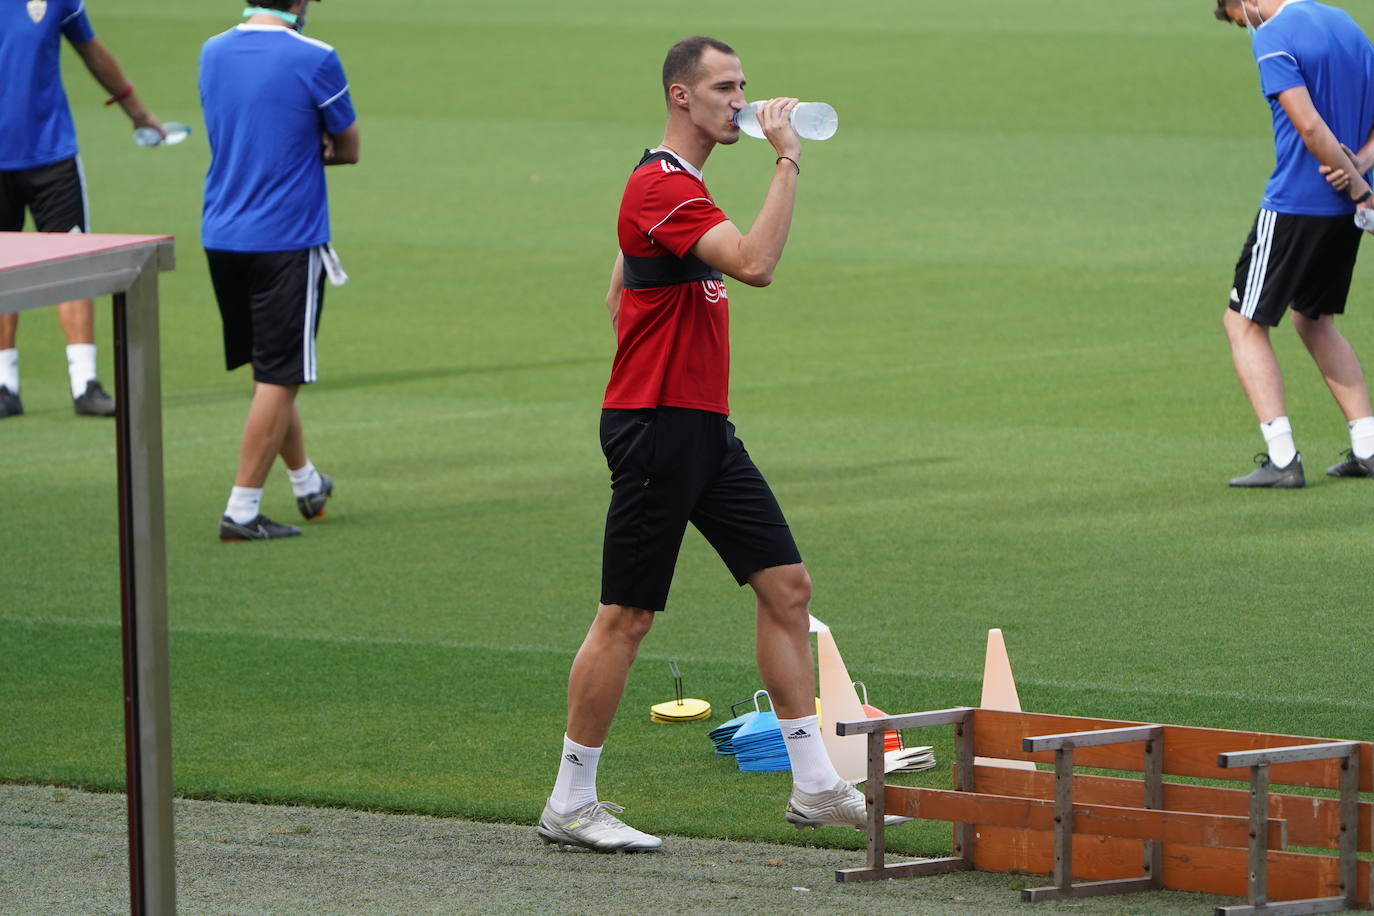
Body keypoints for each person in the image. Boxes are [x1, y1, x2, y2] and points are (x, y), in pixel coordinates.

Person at [538, 36, 902, 853]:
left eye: (743, 86)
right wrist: (787, 160)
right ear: (682, 95)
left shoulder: (682, 190)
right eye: (725, 87)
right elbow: (757, 263)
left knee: (787, 587)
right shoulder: (660, 185)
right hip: (657, 427)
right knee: (626, 615)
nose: (742, 100)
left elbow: (618, 293)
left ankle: (815, 786)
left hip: (699, 426)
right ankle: (570, 801)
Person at [198, 0, 358, 540]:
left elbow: (240, 128)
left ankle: (306, 481)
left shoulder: (211, 51)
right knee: (280, 374)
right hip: (285, 237)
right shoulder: (316, 56)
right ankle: (242, 511)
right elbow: (349, 147)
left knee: (267, 368)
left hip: (222, 232)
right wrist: (314, 144)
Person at [1214, 0, 1374, 487]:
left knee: (1243, 323)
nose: (1248, 28)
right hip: (1346, 211)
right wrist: (1362, 171)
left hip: (1296, 203)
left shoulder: (1273, 35)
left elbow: (1308, 126)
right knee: (1313, 318)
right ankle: (1369, 447)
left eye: (1241, 20)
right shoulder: (1343, 22)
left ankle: (1283, 460)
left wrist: (1356, 184)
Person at [0, 0, 165, 419]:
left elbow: (92, 52)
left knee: (74, 262)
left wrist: (137, 112)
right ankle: (4, 384)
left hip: (52, 154)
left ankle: (85, 384)